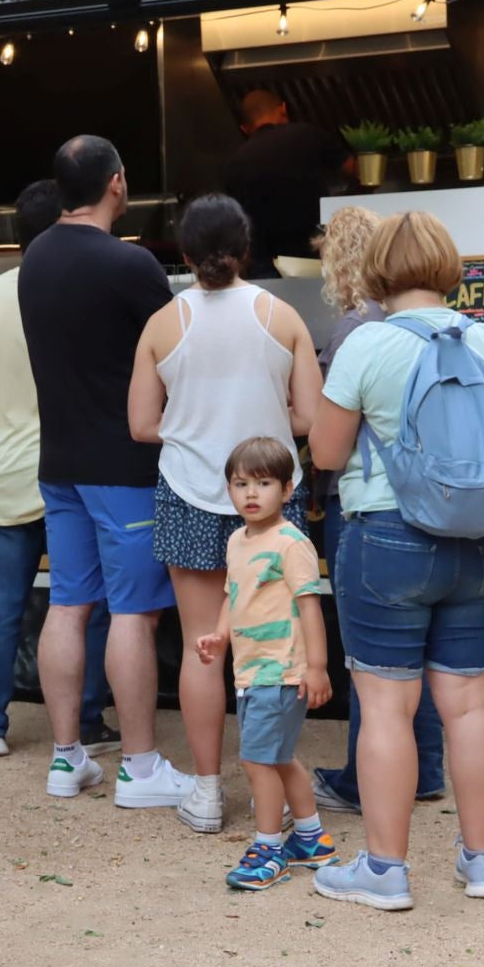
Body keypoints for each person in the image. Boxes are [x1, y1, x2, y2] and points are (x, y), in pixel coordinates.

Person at [307, 211, 484, 911]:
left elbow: (324, 453)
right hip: (479, 544)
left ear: (375, 270)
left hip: (387, 539)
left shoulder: (367, 344)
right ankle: (483, 860)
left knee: (386, 706)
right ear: (447, 265)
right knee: (469, 702)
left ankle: (385, 869)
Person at [127, 194, 321, 834]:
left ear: (182, 252)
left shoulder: (161, 322)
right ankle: (280, 784)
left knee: (201, 646)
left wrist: (194, 427)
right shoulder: (282, 315)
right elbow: (310, 420)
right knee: (276, 642)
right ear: (246, 249)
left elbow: (141, 424)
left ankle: (208, 792)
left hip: (187, 490)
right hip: (267, 499)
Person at [18, 135, 189, 810]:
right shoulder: (130, 264)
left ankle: (68, 758)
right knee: (134, 612)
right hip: (125, 462)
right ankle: (140, 766)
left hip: (58, 459)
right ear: (117, 184)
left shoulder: (34, 258)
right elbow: (181, 351)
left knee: (67, 601)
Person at [0, 178, 118, 758]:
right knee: (82, 603)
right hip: (78, 471)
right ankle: (87, 719)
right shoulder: (86, 290)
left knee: (2, 609)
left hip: (4, 478)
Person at [307, 205, 448, 814]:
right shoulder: (464, 333)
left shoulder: (357, 334)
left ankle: (368, 781)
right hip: (451, 514)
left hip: (371, 510)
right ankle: (428, 768)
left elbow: (329, 448)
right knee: (440, 661)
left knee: (373, 661)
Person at [194, 437, 335, 889]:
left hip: (281, 670)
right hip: (252, 670)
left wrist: (316, 667)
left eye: (264, 483)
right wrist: (220, 634)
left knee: (256, 761)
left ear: (288, 490)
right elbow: (233, 594)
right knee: (276, 757)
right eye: (240, 483)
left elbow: (310, 607)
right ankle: (311, 839)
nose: (251, 493)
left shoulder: (291, 544)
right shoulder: (237, 540)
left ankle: (269, 847)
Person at [222, 89, 347, 277]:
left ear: (244, 128)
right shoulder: (309, 135)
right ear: (283, 109)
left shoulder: (233, 164)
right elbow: (356, 171)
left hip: (264, 265)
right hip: (317, 254)